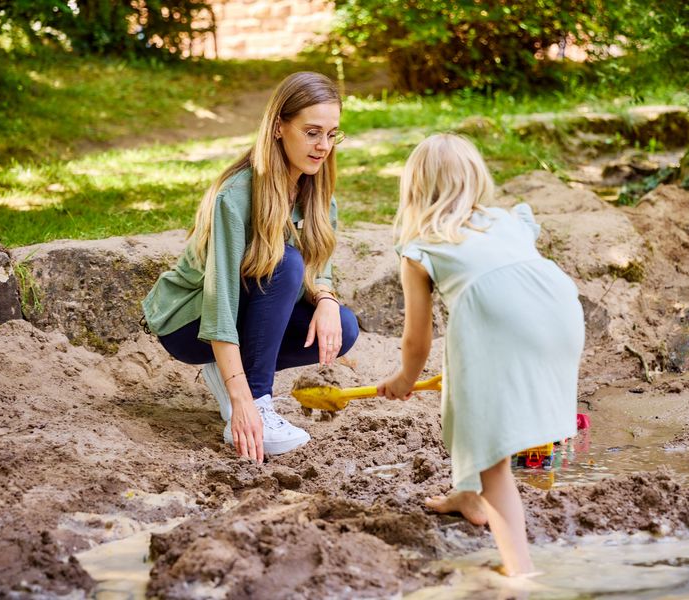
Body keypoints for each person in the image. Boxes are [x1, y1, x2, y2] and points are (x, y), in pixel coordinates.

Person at [377, 134, 584, 576]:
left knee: (491, 446)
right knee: (468, 399)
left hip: (495, 318)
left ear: (414, 189)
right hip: (561, 311)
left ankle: (520, 572)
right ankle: (466, 493)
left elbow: (417, 339)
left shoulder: (421, 246)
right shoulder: (507, 221)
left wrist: (404, 379)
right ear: (476, 179)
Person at [142, 72, 359, 464]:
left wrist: (326, 299)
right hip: (189, 323)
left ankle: (237, 377)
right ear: (279, 127)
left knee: (343, 327)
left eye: (332, 134)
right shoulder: (236, 197)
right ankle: (257, 400)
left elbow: (319, 270)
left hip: (243, 311)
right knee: (285, 262)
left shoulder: (317, 196)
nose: (323, 146)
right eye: (312, 132)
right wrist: (241, 400)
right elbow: (219, 299)